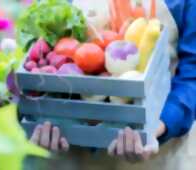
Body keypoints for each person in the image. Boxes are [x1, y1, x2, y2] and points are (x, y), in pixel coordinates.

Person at [29, 0, 196, 165]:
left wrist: (159, 126)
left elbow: (192, 76)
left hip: (160, 156)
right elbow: (38, 53)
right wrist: (45, 114)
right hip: (78, 152)